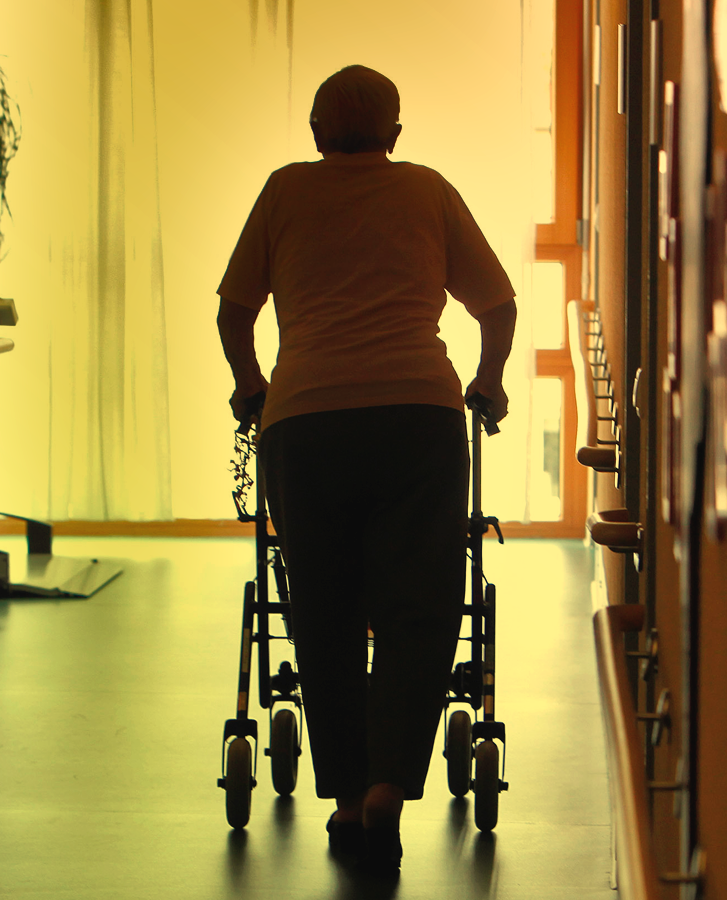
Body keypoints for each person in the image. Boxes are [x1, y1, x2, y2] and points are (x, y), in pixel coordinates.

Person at [215, 65, 516, 874]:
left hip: (306, 423)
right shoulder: (427, 189)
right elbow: (497, 304)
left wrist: (252, 384)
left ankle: (346, 795)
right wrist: (486, 382)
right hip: (417, 417)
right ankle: (388, 788)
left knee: (323, 609)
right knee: (421, 602)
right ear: (395, 134)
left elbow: (233, 311)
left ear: (316, 133)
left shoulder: (283, 192)